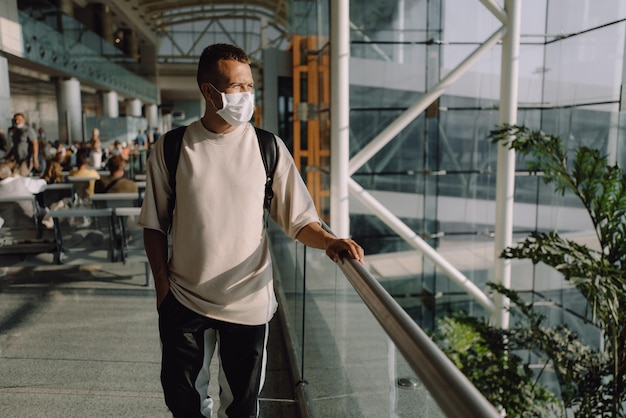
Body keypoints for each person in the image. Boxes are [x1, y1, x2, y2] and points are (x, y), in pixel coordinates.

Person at [138, 43, 364, 418]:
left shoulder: (267, 147)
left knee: (242, 407)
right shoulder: (173, 147)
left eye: (249, 86)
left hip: (247, 302)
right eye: (235, 86)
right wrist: (163, 290)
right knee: (183, 403)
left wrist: (330, 240)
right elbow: (154, 223)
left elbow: (299, 219)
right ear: (209, 91)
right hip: (184, 298)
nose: (246, 95)